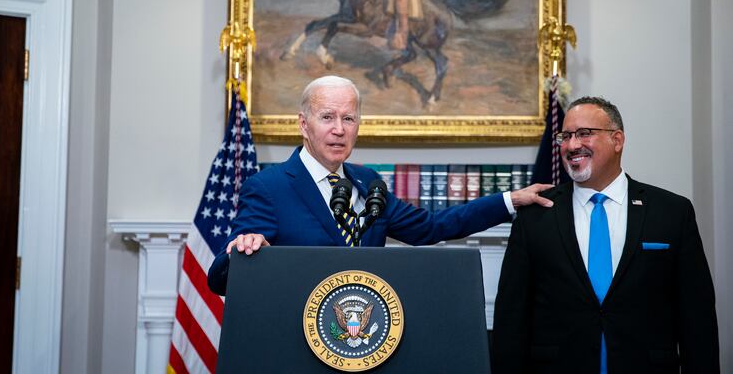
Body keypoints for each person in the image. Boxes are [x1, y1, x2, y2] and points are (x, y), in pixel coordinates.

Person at [206, 75, 553, 295]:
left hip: (366, 340)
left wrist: (511, 200)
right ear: (304, 124)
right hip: (298, 343)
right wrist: (243, 249)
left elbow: (432, 227)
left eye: (349, 118)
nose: (339, 129)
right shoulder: (268, 186)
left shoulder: (368, 182)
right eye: (327, 117)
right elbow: (220, 278)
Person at [492, 97, 719, 374]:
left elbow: (697, 317)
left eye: (585, 133)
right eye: (565, 136)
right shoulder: (535, 215)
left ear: (618, 140)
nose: (572, 145)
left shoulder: (672, 212)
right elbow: (511, 318)